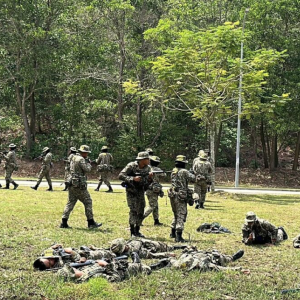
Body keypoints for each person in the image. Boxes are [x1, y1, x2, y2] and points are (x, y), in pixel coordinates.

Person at [60, 145, 102, 229]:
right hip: (79, 184)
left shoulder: (73, 157)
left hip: (71, 182)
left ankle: (64, 222)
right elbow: (87, 169)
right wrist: (89, 163)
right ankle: (91, 222)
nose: (87, 154)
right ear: (84, 153)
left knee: (70, 202)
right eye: (87, 153)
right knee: (88, 201)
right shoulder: (81, 159)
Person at [56, 252, 153, 283]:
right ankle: (138, 264)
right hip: (122, 271)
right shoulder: (94, 278)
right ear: (73, 275)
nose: (74, 268)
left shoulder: (81, 272)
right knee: (147, 268)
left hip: (115, 265)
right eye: (72, 270)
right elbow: (116, 278)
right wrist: (105, 265)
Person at [119, 151, 153, 238]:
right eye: (147, 159)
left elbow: (147, 183)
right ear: (142, 160)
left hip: (140, 191)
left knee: (141, 210)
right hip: (131, 191)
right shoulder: (131, 166)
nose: (149, 160)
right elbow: (121, 175)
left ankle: (137, 230)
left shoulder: (148, 168)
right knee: (133, 210)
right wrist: (133, 178)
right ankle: (132, 231)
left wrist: (149, 178)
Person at [168, 155, 196, 242]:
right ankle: (178, 236)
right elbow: (193, 179)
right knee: (181, 214)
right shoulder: (184, 171)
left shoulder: (174, 171)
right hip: (181, 196)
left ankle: (172, 232)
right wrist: (192, 173)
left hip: (173, 194)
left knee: (176, 214)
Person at [33, 243, 116, 271]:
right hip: (83, 256)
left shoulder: (46, 254)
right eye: (50, 262)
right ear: (50, 267)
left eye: (48, 259)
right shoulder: (59, 265)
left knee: (102, 251)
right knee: (108, 254)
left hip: (79, 252)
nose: (51, 259)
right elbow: (75, 261)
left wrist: (56, 246)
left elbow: (54, 247)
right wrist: (79, 258)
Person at [159, 246, 244, 272]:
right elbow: (221, 268)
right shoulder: (203, 265)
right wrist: (238, 269)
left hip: (199, 253)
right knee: (221, 258)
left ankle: (231, 257)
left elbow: (168, 260)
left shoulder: (179, 263)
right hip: (211, 257)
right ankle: (232, 257)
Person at [110, 238, 187, 259]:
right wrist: (167, 254)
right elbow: (154, 255)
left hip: (150, 243)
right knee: (169, 247)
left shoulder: (131, 246)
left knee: (169, 246)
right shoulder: (136, 253)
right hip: (154, 247)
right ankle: (183, 246)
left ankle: (183, 246)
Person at [143, 156, 166, 226]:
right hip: (153, 190)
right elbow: (164, 175)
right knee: (152, 206)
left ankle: (156, 221)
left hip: (148, 189)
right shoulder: (157, 169)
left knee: (155, 206)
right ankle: (140, 218)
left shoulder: (147, 168)